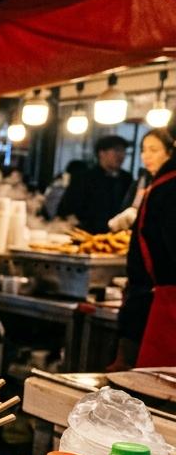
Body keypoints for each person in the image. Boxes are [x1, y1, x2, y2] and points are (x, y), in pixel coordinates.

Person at [114, 128, 176, 369]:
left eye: (153, 149)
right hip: (151, 300)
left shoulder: (165, 186)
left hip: (156, 300)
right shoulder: (161, 185)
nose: (146, 156)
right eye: (143, 150)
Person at [58, 135, 133, 234]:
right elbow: (67, 209)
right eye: (117, 150)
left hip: (118, 235)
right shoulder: (84, 178)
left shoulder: (127, 178)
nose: (121, 155)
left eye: (124, 152)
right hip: (87, 234)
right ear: (102, 153)